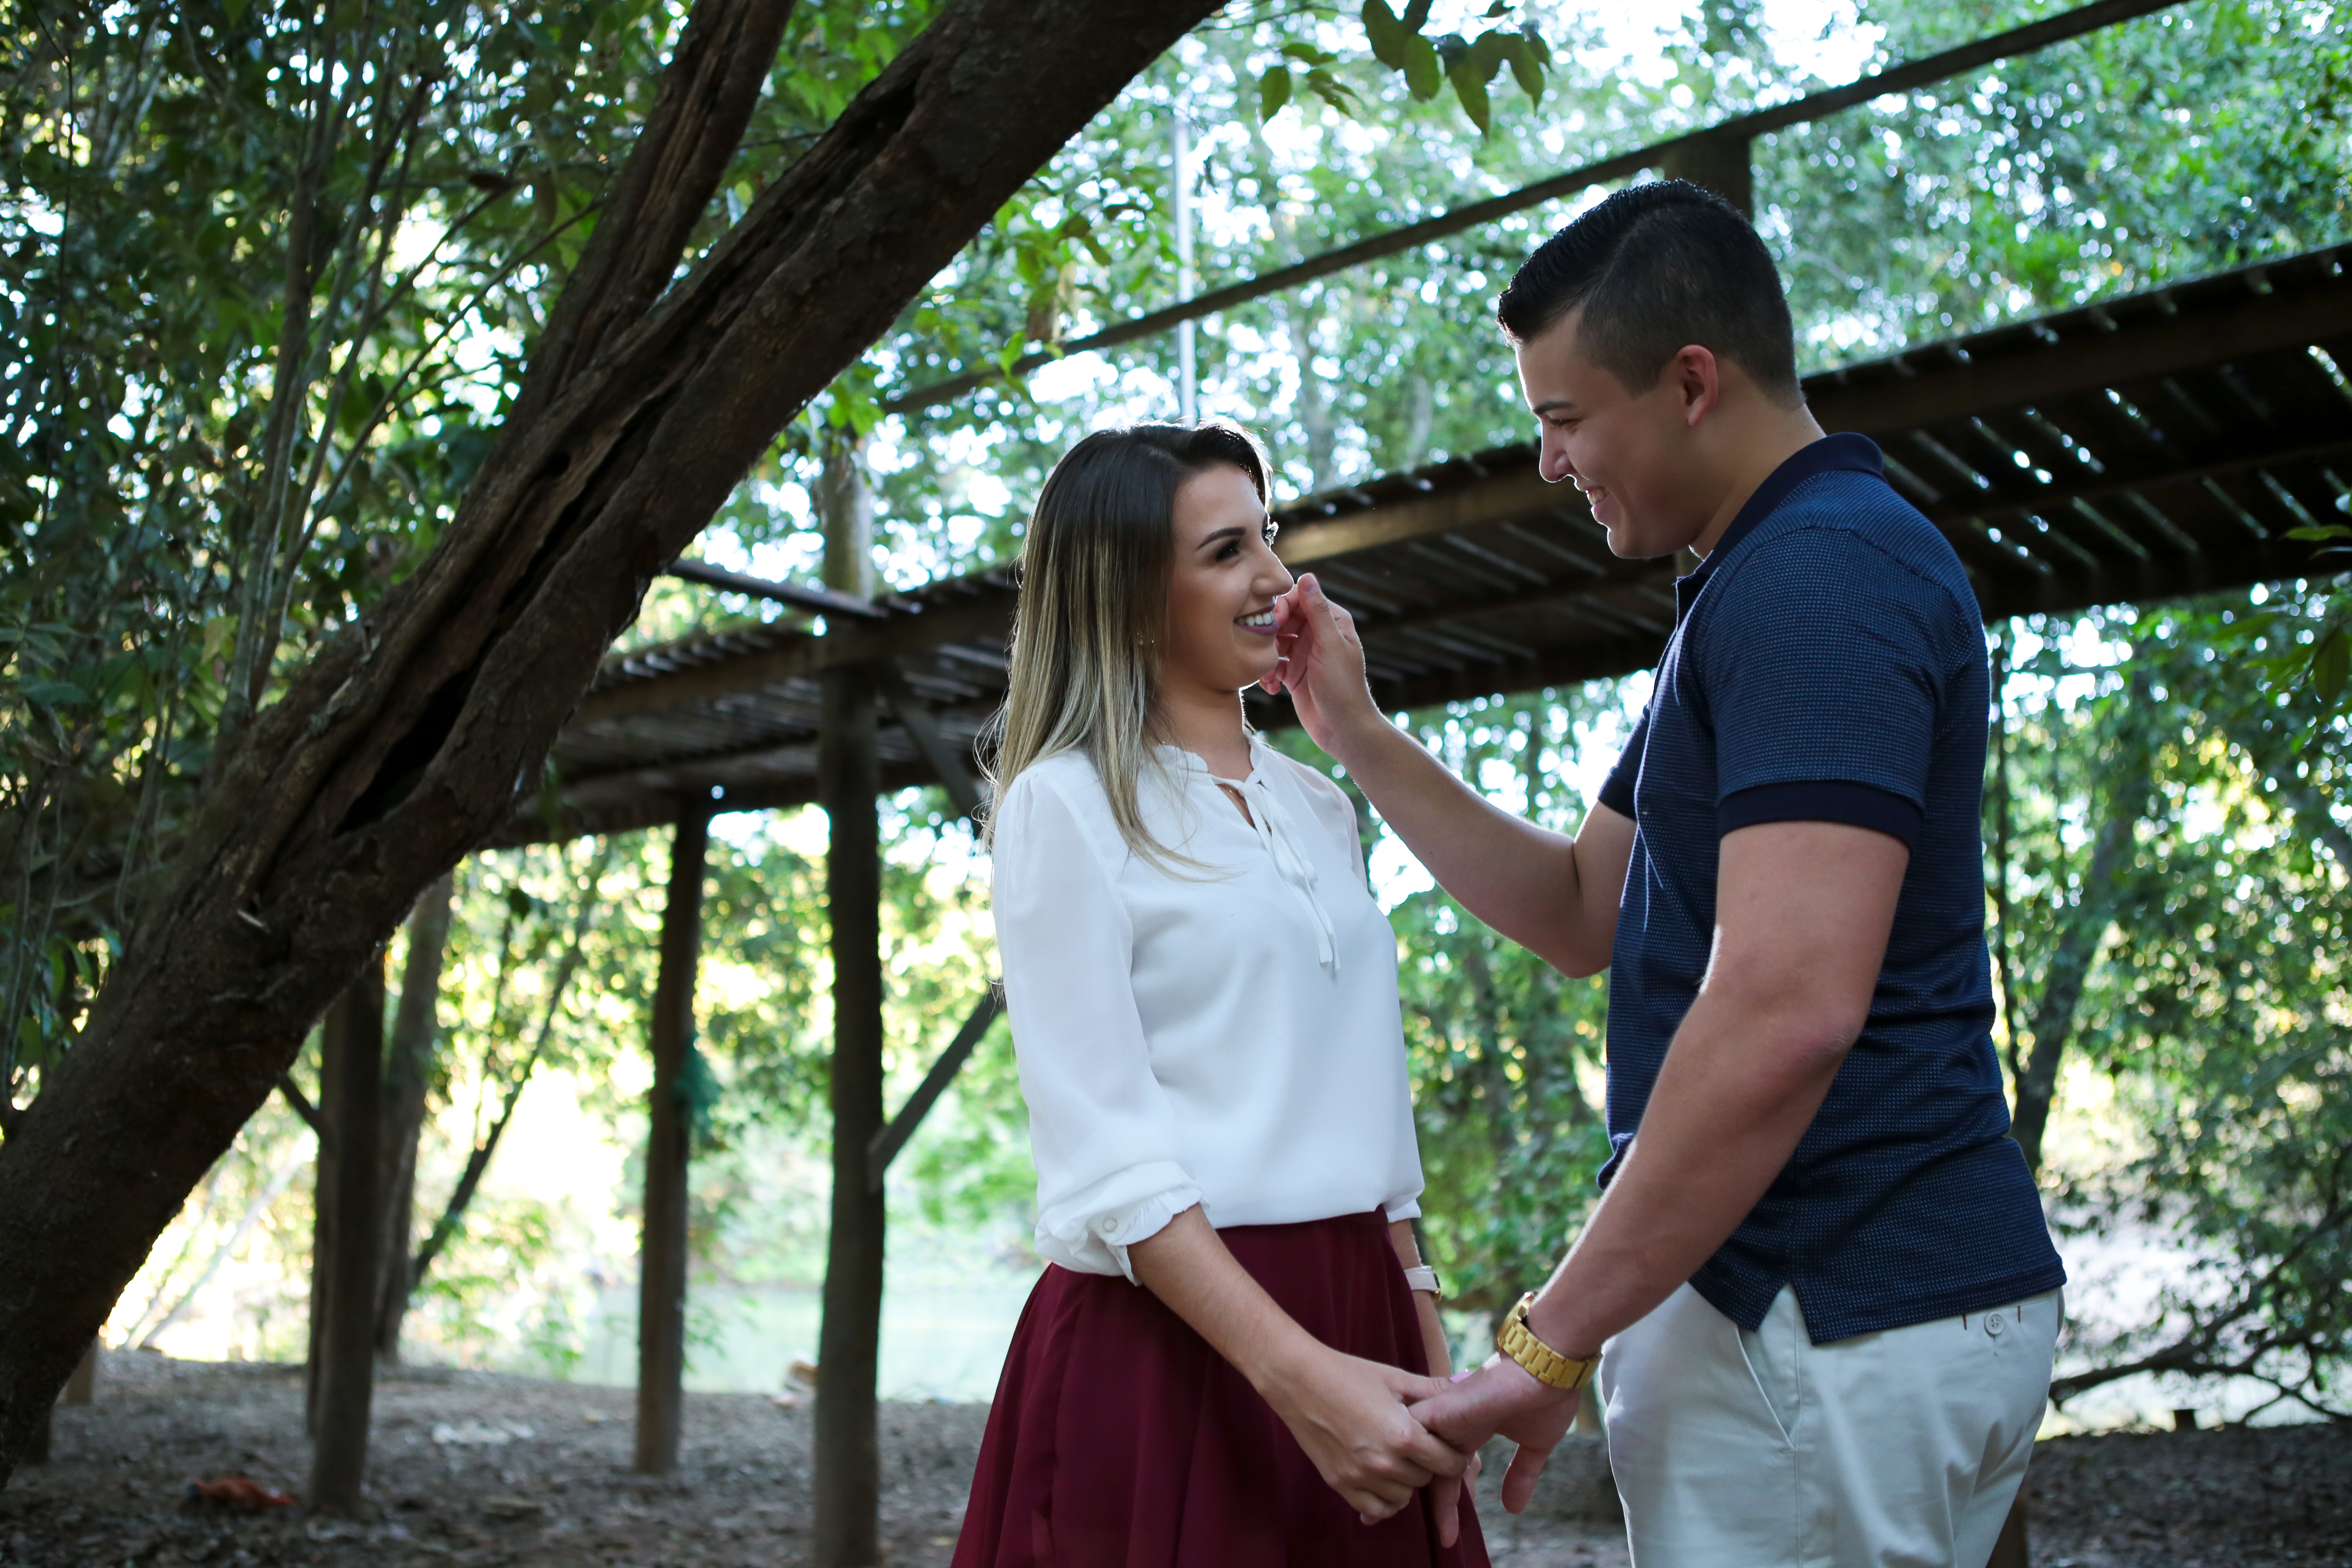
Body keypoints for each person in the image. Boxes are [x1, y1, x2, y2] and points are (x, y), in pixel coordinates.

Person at [1272, 181, 2067, 1568]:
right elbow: (1587, 910)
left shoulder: (1819, 580)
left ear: (1692, 382)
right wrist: (1357, 735)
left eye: (1564, 417)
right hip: (1818, 1322)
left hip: (1831, 1301)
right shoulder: (1742, 584)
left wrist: (1548, 1341)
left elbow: (1784, 1009)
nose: (1547, 460)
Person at [952, 421, 1486, 1567]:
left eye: (1272, 537)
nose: (1276, 579)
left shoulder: (1320, 806)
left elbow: (1373, 1123)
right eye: (1227, 550)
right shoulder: (1065, 806)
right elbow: (1112, 1155)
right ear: (1133, 594)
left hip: (1366, 1306)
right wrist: (1298, 1380)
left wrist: (1426, 1334)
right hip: (1180, 1342)